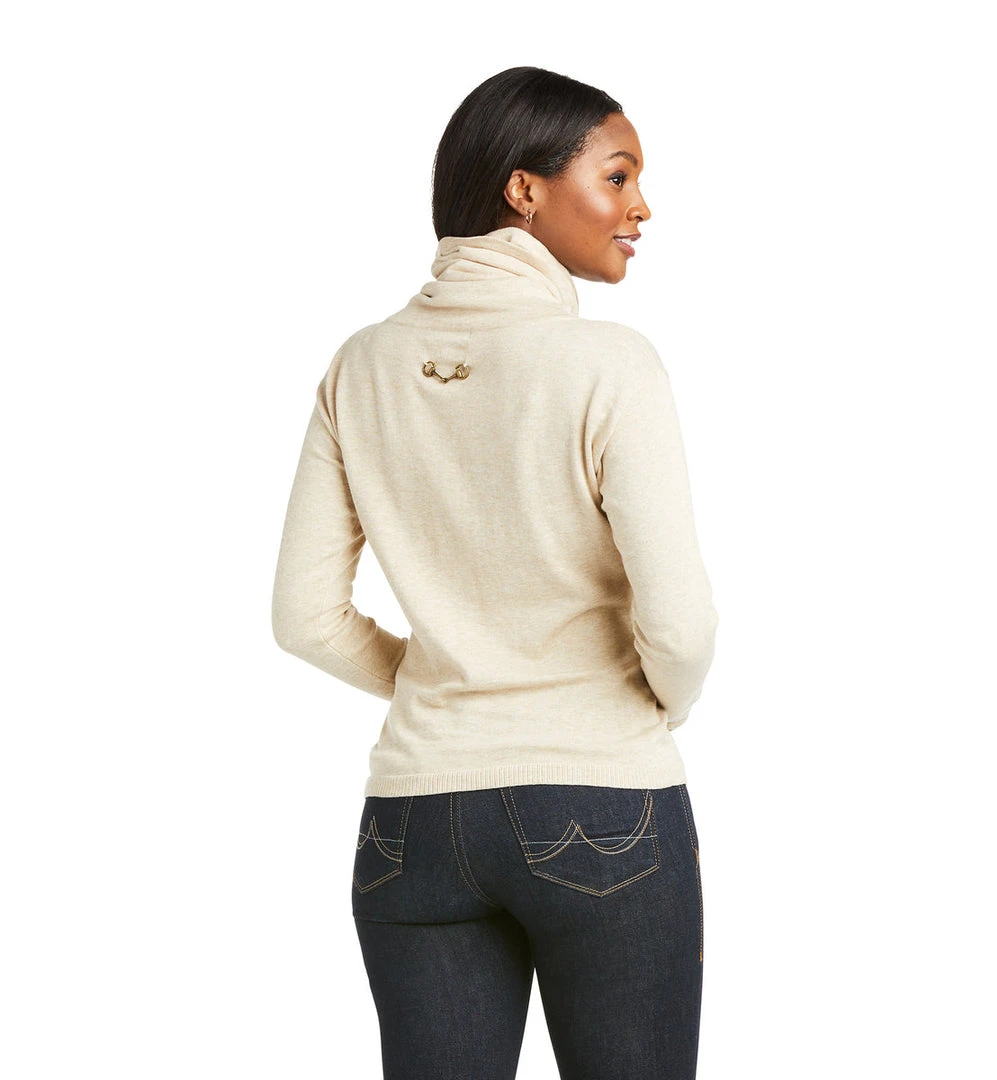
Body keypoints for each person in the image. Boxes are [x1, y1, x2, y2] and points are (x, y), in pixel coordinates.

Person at [271, 65, 718, 1080]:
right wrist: (657, 702)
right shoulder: (608, 363)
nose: (641, 207)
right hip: (602, 804)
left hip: (413, 821)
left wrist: (449, 678)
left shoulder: (360, 365)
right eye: (618, 176)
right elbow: (681, 626)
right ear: (525, 189)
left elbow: (303, 617)